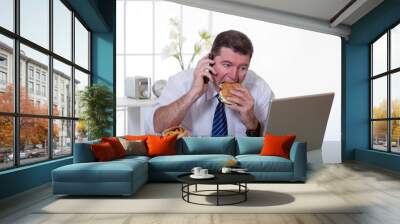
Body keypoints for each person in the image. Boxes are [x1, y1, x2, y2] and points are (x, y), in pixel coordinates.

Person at [145, 30, 274, 137]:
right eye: (227, 65)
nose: (234, 76)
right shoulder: (182, 82)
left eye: (243, 68)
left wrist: (252, 123)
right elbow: (156, 127)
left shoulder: (259, 89)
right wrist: (193, 94)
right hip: (191, 162)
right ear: (210, 60)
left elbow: (274, 143)